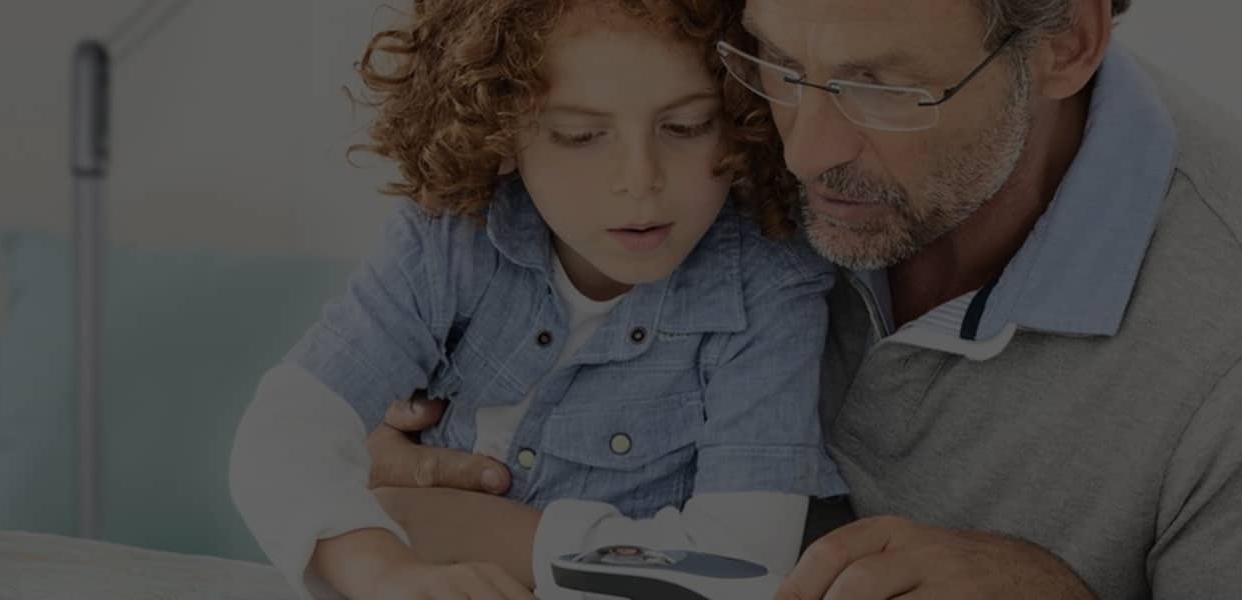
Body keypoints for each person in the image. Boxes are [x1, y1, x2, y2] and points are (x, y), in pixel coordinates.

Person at [365, 0, 1242, 597]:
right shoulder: (705, 99)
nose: (802, 151)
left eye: (884, 90)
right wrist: (397, 446)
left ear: (1065, 43)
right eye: (777, 62)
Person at [224, 0, 847, 598]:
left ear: (743, 116)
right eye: (580, 135)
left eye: (686, 126)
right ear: (500, 128)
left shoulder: (770, 288)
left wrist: (452, 526)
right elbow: (286, 430)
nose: (641, 178)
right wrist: (384, 570)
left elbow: (742, 566)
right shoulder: (446, 240)